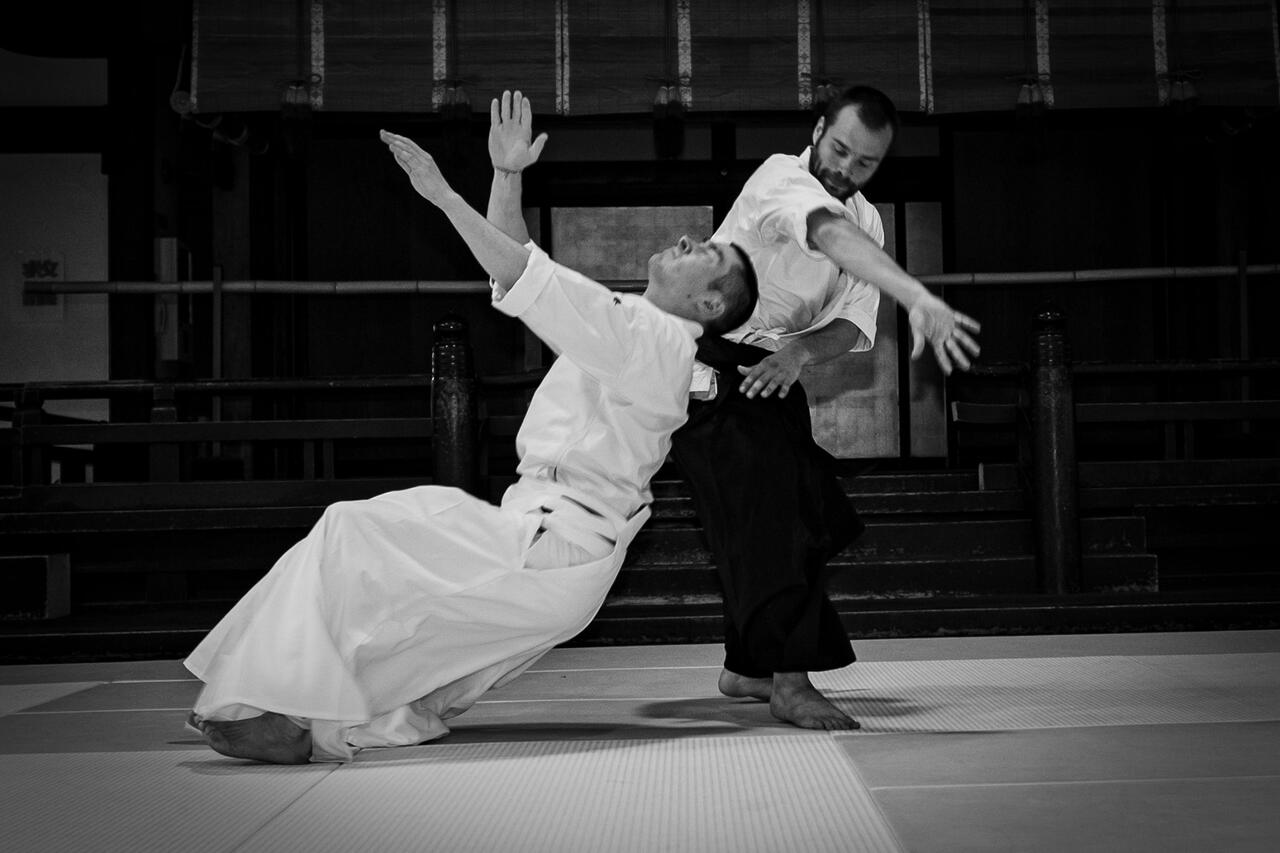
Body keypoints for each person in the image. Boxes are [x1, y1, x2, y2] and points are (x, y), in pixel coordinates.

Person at [184, 91, 758, 763]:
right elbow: (514, 256)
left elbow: (517, 269)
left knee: (354, 530)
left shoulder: (653, 337)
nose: (690, 239)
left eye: (707, 254)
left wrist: (441, 194)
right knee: (410, 643)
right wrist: (507, 175)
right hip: (557, 547)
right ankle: (296, 715)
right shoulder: (649, 337)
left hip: (553, 540)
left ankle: (278, 713)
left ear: (709, 300)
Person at [673, 85, 982, 730]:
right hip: (709, 367)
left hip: (774, 376)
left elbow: (853, 327)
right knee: (781, 522)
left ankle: (746, 668)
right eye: (839, 149)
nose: (844, 168)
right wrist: (916, 294)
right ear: (817, 130)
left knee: (800, 513)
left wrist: (797, 354)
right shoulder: (781, 178)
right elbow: (826, 232)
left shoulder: (867, 219)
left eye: (864, 163)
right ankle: (789, 681)